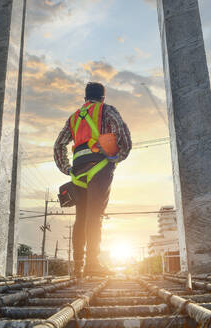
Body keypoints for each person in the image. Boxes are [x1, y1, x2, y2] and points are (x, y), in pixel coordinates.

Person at [54, 82, 132, 277]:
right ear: (103, 98)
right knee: (94, 215)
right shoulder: (106, 110)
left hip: (78, 171)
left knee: (81, 217)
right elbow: (122, 135)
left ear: (85, 98)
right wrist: (118, 157)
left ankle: (78, 266)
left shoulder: (74, 118)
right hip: (100, 167)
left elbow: (58, 145)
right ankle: (93, 264)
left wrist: (66, 168)